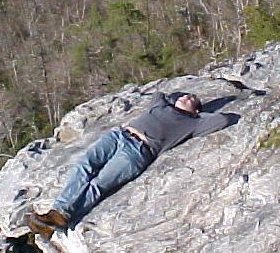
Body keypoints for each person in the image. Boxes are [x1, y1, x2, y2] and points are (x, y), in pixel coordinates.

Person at [25, 91, 231, 238]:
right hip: (118, 135)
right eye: (185, 95)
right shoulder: (160, 106)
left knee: (98, 184)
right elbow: (159, 94)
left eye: (191, 99)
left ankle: (58, 218)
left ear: (195, 111)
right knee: (83, 167)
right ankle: (56, 214)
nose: (186, 97)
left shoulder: (192, 124)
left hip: (138, 151)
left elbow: (222, 120)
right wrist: (175, 100)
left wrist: (198, 115)